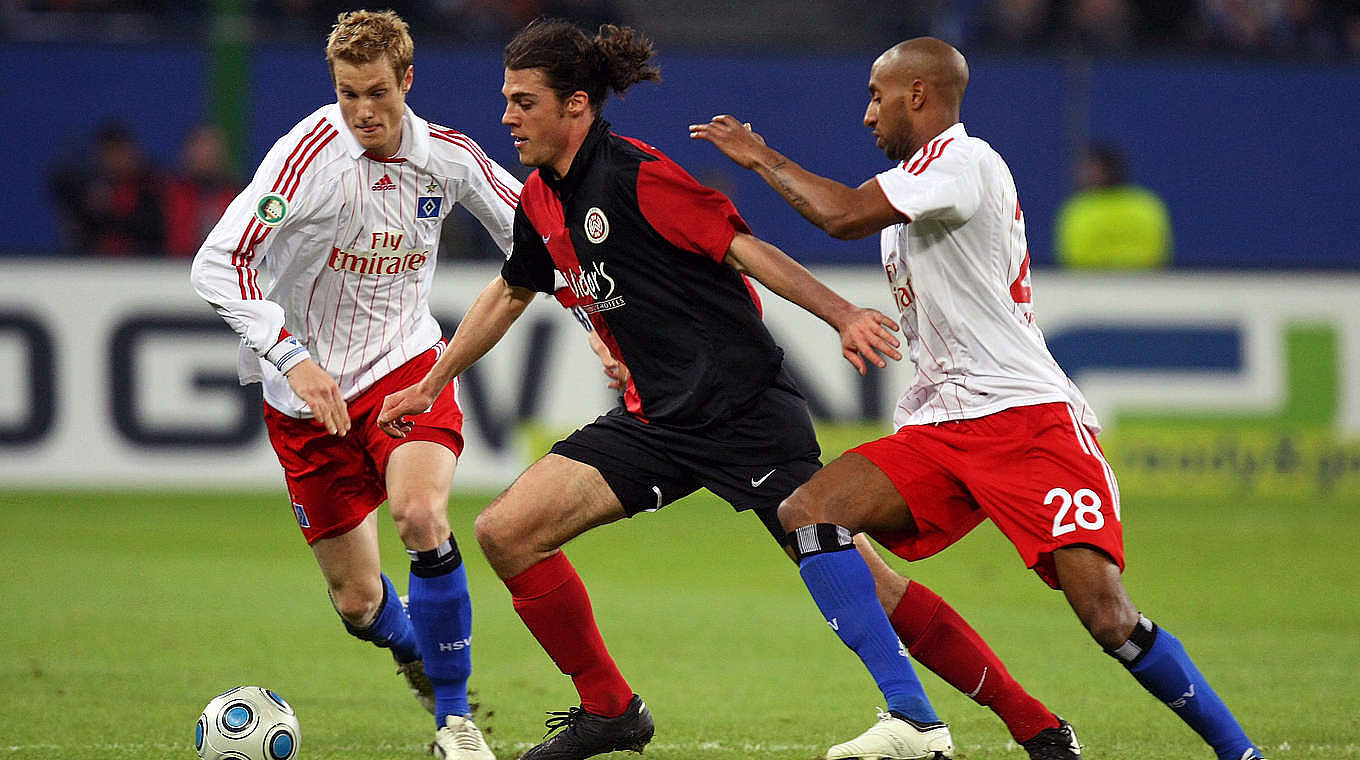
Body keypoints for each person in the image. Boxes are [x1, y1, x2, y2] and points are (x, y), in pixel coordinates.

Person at [380, 19, 1080, 760]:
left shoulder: (638, 174)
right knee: (506, 532)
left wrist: (841, 313)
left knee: (869, 583)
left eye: (523, 101)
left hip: (740, 410)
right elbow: (512, 290)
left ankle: (1001, 721)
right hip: (655, 421)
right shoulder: (540, 200)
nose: (507, 116)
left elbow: (748, 251)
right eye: (506, 100)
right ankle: (611, 710)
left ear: (576, 105)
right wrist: (432, 383)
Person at [690, 36, 1265, 760]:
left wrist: (759, 157)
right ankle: (912, 719)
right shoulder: (918, 179)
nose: (868, 115)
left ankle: (1242, 753)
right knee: (809, 511)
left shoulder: (964, 162)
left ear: (919, 95)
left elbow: (838, 214)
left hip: (1025, 422)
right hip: (940, 427)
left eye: (877, 96)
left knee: (1107, 616)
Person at [189, 10, 521, 759]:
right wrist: (290, 356)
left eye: (377, 92)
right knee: (361, 602)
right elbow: (217, 262)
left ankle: (456, 724)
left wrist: (605, 328)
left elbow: (537, 237)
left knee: (420, 516)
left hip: (407, 367)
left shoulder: (449, 158)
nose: (364, 112)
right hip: (305, 401)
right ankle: (413, 648)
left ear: (407, 79)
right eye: (347, 95)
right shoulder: (306, 157)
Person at [49, 120, 165, 256]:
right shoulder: (91, 185)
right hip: (95, 265)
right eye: (109, 152)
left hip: (145, 265)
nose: (115, 160)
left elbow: (154, 230)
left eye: (119, 151)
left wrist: (112, 208)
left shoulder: (153, 185)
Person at [1054, 142, 1172, 270]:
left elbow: (1158, 253)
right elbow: (1071, 256)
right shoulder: (1078, 209)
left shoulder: (1145, 206)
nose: (1085, 174)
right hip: (1091, 286)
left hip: (1141, 286)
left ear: (1109, 170)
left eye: (1092, 169)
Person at [164, 122, 241, 258]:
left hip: (225, 268)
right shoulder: (168, 194)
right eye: (201, 147)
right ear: (188, 151)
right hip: (172, 268)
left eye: (213, 147)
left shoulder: (239, 196)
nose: (207, 154)